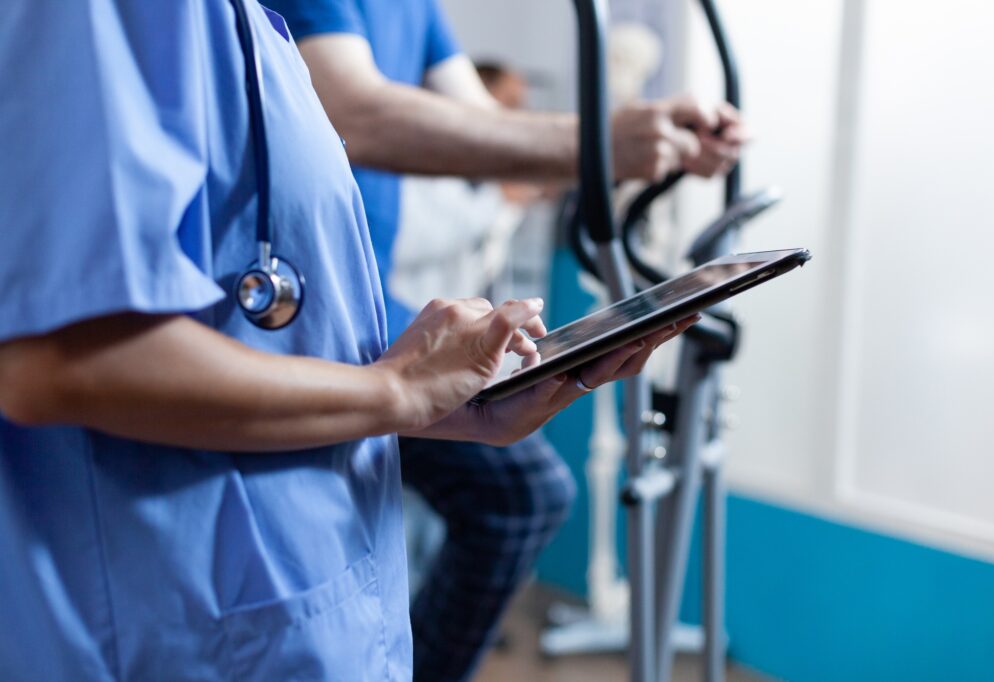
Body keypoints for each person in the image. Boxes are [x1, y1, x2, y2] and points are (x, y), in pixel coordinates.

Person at [0, 1, 696, 679]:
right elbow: (61, 359)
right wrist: (395, 389)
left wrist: (448, 407)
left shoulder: (256, 29)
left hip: (303, 607)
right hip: (176, 623)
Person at [263, 1, 747, 680]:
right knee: (514, 493)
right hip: (299, 309)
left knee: (518, 490)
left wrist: (638, 143)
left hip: (366, 303)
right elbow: (352, 114)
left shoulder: (415, 9)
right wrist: (600, 141)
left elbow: (492, 132)